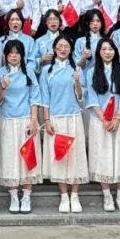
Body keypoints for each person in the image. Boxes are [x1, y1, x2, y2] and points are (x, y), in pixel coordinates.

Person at [39, 33, 88, 213]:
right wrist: (46, 120)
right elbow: (44, 98)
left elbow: (81, 97)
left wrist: (77, 81)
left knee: (75, 156)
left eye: (66, 46)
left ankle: (74, 195)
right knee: (59, 157)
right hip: (55, 119)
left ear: (71, 50)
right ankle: (64, 195)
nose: (63, 49)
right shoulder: (47, 70)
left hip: (73, 117)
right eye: (60, 46)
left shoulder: (77, 69)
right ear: (54, 49)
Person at [85, 38, 120, 212]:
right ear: (99, 52)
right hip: (100, 121)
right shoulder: (91, 73)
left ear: (115, 51)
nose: (107, 52)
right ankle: (107, 195)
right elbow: (92, 99)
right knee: (102, 157)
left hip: (119, 119)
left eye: (110, 49)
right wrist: (104, 120)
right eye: (104, 49)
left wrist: (117, 118)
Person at [0, 40, 41, 213]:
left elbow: (34, 97)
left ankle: (26, 196)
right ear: (5, 55)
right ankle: (14, 196)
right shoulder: (0, 72)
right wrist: (2, 87)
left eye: (17, 53)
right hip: (7, 119)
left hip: (26, 120)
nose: (13, 56)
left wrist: (34, 119)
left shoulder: (29, 72)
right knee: (10, 156)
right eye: (10, 53)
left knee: (28, 157)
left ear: (22, 55)